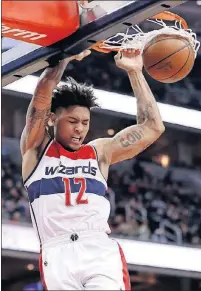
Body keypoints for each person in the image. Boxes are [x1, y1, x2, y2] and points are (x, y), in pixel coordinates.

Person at [21, 48, 165, 290]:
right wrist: (64, 56)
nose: (80, 129)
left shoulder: (99, 152)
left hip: (97, 250)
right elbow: (44, 90)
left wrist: (135, 72)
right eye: (73, 121)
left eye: (85, 123)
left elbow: (153, 127)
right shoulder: (36, 150)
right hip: (56, 253)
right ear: (53, 119)